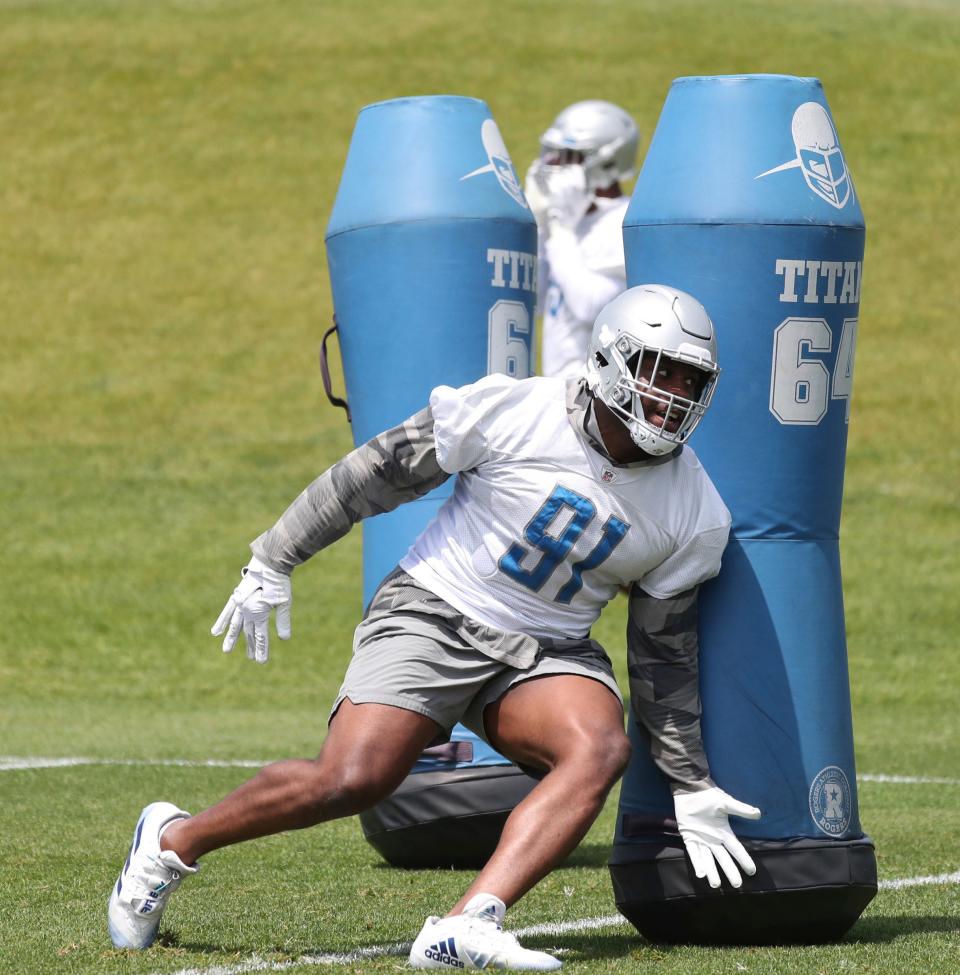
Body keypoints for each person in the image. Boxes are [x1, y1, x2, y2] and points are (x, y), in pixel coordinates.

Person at [108, 284, 762, 970]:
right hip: (435, 612)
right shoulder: (515, 409)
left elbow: (663, 656)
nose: (676, 396)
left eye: (692, 381)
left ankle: (468, 922)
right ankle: (172, 841)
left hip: (545, 650)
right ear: (611, 360)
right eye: (662, 372)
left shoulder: (696, 510)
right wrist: (276, 554)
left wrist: (688, 782)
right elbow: (378, 470)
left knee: (600, 747)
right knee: (354, 777)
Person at [525, 100, 639, 380]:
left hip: (599, 395)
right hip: (556, 390)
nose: (549, 164)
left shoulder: (624, 220)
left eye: (566, 156)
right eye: (550, 153)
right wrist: (541, 225)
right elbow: (534, 301)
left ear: (606, 162)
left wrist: (561, 229)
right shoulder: (570, 217)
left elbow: (591, 307)